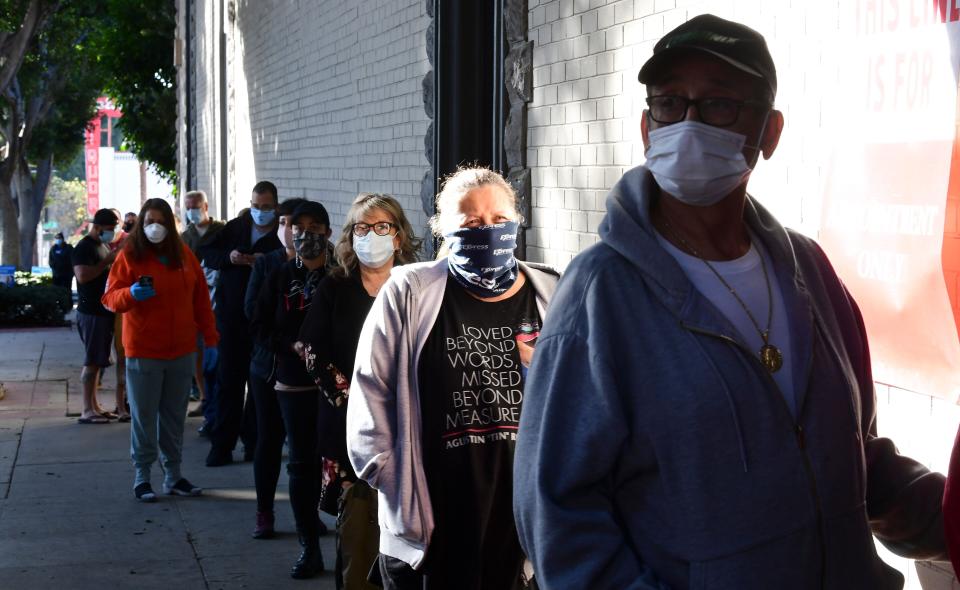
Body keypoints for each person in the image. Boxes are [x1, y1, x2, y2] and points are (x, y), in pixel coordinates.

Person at [511, 14, 947, 589]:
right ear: (646, 128)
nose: (688, 124)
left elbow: (849, 455)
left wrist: (945, 509)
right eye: (670, 103)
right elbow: (556, 518)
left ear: (769, 132)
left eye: (719, 104)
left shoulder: (809, 271)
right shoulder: (600, 295)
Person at [347, 168, 559, 589]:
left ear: (517, 220)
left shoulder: (551, 290)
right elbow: (371, 393)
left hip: (521, 519)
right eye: (472, 224)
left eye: (499, 220)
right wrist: (395, 484)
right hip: (434, 516)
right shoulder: (409, 291)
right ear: (444, 230)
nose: (488, 231)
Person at [299, 193, 421, 589]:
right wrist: (358, 402)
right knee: (358, 535)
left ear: (399, 236)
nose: (372, 236)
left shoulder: (419, 284)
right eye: (362, 228)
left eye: (383, 227)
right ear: (350, 237)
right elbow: (312, 351)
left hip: (412, 426)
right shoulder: (335, 286)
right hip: (350, 428)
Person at [102, 198, 218, 502]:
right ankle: (142, 476)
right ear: (142, 222)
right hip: (143, 350)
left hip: (181, 351)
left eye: (162, 221)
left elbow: (201, 301)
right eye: (151, 220)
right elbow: (110, 298)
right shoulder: (130, 255)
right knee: (143, 416)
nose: (156, 227)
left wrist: (211, 338)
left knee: (173, 416)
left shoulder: (183, 255)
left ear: (171, 224)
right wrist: (131, 294)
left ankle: (173, 475)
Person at [251, 200, 334, 579]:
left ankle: (355, 543)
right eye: (299, 227)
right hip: (294, 383)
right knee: (301, 461)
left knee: (342, 462)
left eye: (315, 226)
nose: (307, 234)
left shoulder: (344, 276)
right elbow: (261, 326)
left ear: (328, 233)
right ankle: (309, 547)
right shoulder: (281, 275)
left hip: (339, 385)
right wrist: (292, 345)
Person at [198, 181, 282, 466]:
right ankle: (222, 444)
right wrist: (230, 257)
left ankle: (254, 442)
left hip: (264, 320)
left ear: (276, 206)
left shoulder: (280, 235)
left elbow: (288, 263)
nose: (260, 212)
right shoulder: (235, 228)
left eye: (266, 207)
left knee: (260, 385)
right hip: (231, 318)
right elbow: (208, 253)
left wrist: (263, 261)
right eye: (256, 206)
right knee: (228, 382)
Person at [243, 196, 307, 539]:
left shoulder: (323, 268)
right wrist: (286, 343)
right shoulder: (266, 265)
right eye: (284, 224)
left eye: (294, 225)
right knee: (269, 440)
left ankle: (307, 517)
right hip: (268, 368)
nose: (288, 231)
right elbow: (253, 314)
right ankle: (264, 511)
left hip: (307, 374)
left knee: (306, 448)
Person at [181, 189, 227, 423]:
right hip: (195, 301)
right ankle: (205, 396)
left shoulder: (222, 231)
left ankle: (218, 399)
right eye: (188, 207)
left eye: (196, 206)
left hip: (220, 299)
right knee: (198, 352)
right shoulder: (185, 238)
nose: (192, 211)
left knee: (219, 352)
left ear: (206, 206)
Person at [72, 209, 119, 424]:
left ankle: (94, 406)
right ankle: (86, 409)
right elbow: (82, 276)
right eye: (109, 229)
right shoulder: (84, 248)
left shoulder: (102, 245)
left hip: (103, 311)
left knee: (98, 360)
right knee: (92, 361)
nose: (112, 233)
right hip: (91, 312)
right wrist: (107, 260)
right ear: (97, 227)